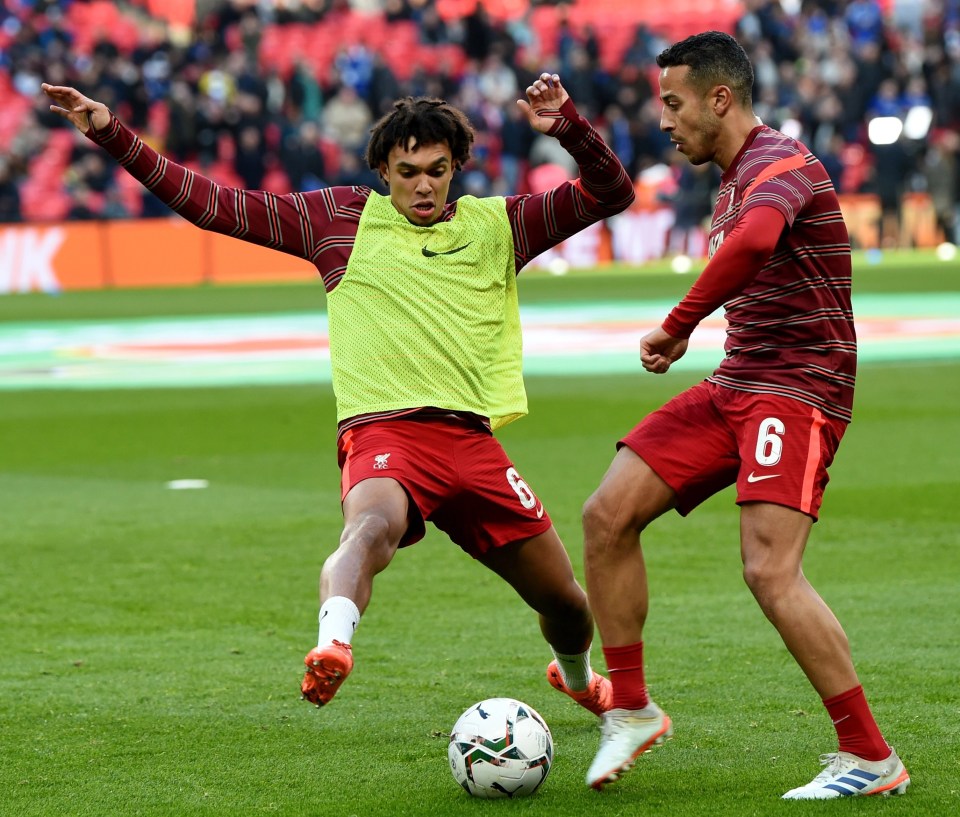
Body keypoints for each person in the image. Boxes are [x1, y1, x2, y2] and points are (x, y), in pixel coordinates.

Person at [42, 73, 635, 717]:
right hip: (384, 434)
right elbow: (210, 204)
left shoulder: (503, 225)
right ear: (383, 167)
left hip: (472, 442)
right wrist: (110, 132)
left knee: (567, 603)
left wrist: (571, 128)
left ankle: (577, 681)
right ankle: (333, 645)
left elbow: (612, 191)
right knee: (370, 527)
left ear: (458, 165)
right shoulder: (338, 220)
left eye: (438, 170)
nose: (424, 185)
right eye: (407, 171)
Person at [579, 32, 910, 799]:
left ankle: (871, 755)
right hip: (737, 385)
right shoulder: (729, 180)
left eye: (673, 102)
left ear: (718, 98)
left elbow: (759, 241)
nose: (664, 119)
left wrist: (679, 320)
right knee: (606, 514)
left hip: (797, 389)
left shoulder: (781, 163)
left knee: (769, 568)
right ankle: (629, 706)